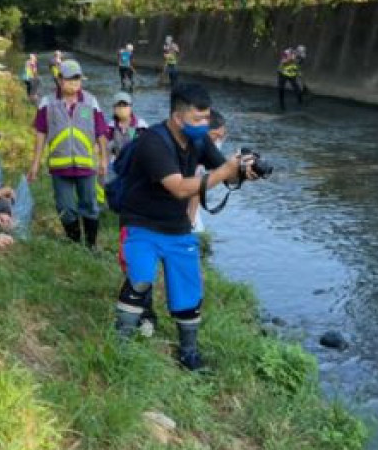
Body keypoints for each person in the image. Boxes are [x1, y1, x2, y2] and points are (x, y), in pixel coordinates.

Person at [114, 84, 258, 369]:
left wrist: (242, 171)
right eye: (198, 119)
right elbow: (180, 188)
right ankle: (122, 344)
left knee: (188, 290)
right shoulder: (152, 142)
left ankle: (189, 353)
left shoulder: (199, 140)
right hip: (141, 223)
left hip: (177, 226)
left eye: (207, 118)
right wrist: (223, 172)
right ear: (177, 117)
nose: (204, 125)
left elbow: (225, 176)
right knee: (140, 279)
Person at [28, 59, 109, 248]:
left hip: (86, 165)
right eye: (69, 79)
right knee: (65, 207)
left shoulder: (91, 101)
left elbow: (101, 133)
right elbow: (41, 133)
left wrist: (104, 159)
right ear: (59, 80)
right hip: (59, 167)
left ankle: (91, 246)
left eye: (77, 79)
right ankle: (74, 244)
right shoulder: (47, 103)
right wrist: (35, 163)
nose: (74, 83)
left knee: (89, 206)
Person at [108, 90, 147, 161]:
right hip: (116, 162)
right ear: (114, 108)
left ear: (130, 107)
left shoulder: (140, 125)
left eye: (125, 105)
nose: (122, 109)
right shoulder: (111, 127)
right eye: (119, 106)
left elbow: (144, 146)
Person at [277, 47, 303, 112]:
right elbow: (283, 61)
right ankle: (281, 105)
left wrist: (298, 72)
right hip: (283, 73)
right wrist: (290, 59)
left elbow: (297, 65)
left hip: (292, 75)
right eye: (299, 53)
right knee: (281, 89)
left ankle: (300, 103)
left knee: (297, 89)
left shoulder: (300, 56)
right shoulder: (286, 53)